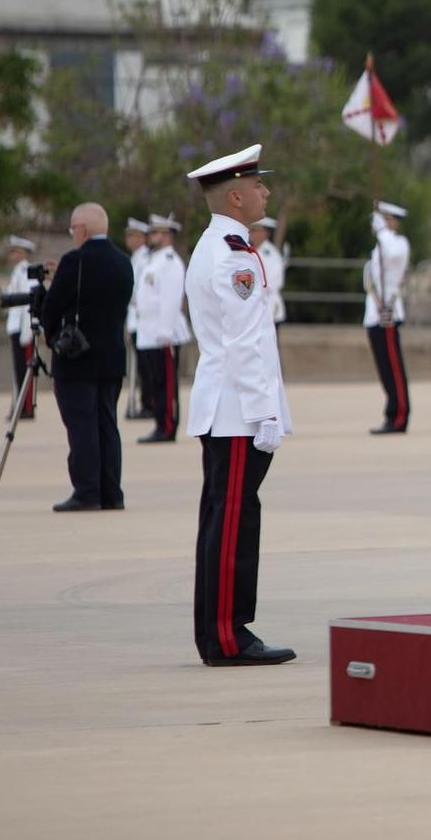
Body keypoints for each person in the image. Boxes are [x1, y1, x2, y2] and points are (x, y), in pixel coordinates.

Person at [181, 143, 295, 666]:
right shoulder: (230, 254)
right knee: (231, 524)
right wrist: (264, 411)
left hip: (225, 406)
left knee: (225, 520)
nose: (265, 191)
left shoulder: (216, 246)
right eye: (257, 185)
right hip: (236, 411)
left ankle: (220, 632)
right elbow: (244, 342)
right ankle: (227, 637)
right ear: (234, 196)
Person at [41, 204, 134, 511]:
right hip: (111, 358)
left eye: (72, 229)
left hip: (77, 357)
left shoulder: (74, 261)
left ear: (81, 229)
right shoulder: (124, 262)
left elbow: (52, 308)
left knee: (81, 426)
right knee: (107, 425)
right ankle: (111, 492)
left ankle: (86, 491)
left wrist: (50, 333)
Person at [135, 215, 189, 444]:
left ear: (166, 236)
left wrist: (165, 332)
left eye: (155, 233)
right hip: (148, 331)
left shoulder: (170, 262)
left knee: (165, 384)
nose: (150, 237)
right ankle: (159, 424)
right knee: (154, 382)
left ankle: (167, 427)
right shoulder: (153, 260)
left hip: (162, 333)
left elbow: (171, 299)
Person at [364, 201, 412, 435]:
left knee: (393, 367)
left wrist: (383, 231)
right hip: (376, 312)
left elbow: (392, 255)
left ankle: (400, 415)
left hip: (389, 311)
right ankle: (391, 413)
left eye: (383, 219)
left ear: (392, 221)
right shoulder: (380, 245)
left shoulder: (398, 243)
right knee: (384, 368)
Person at [4, 235, 39, 419]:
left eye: (16, 251)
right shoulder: (17, 272)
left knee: (25, 369)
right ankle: (20, 405)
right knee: (18, 369)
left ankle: (27, 407)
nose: (13, 255)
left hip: (23, 327)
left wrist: (27, 330)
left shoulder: (26, 271)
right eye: (12, 251)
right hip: (15, 326)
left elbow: (29, 303)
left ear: (24, 253)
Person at [123, 217, 150, 420]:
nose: (129, 239)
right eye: (128, 235)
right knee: (139, 365)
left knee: (146, 366)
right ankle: (141, 402)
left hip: (143, 318)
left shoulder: (146, 259)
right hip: (133, 317)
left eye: (133, 235)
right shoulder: (134, 258)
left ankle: (146, 403)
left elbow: (139, 291)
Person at [251, 217, 287, 331]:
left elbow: (273, 282)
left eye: (254, 230)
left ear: (264, 233)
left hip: (268, 306)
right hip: (252, 307)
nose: (250, 234)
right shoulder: (248, 250)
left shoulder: (271, 254)